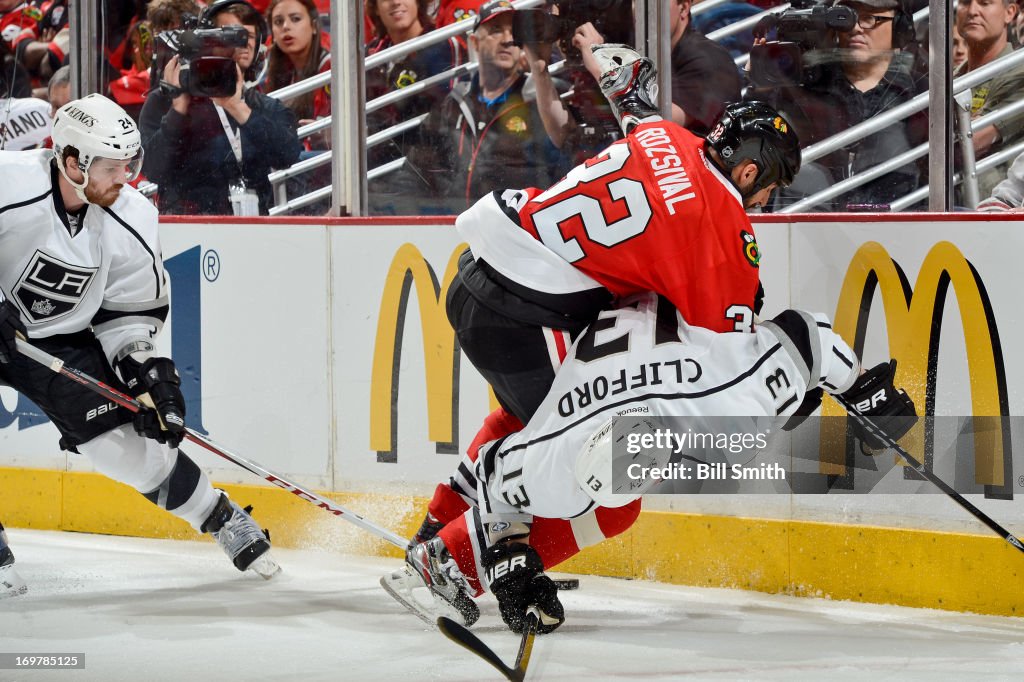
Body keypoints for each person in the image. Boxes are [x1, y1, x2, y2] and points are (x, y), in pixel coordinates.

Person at [397, 44, 800, 621]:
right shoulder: (720, 227)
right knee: (607, 485)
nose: (763, 203)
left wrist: (628, 88)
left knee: (521, 422)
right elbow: (728, 355)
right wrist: (790, 381)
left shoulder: (673, 139)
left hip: (480, 273)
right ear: (750, 169)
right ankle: (467, 561)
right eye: (770, 187)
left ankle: (436, 531)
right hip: (525, 308)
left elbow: (636, 112)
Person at [384, 292, 918, 631]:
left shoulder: (720, 399)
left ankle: (445, 540)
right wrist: (508, 556)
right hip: (586, 341)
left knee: (585, 477)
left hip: (643, 328)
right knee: (555, 446)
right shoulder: (563, 460)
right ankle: (443, 553)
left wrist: (861, 391)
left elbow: (808, 340)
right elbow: (810, 338)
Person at [0, 93, 279, 596]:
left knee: (123, 448)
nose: (123, 178)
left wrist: (145, 371)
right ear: (70, 161)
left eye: (128, 165)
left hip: (59, 342)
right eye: (111, 167)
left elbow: (127, 310)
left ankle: (218, 516)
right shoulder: (7, 181)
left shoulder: (131, 215)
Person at [749, 0, 921, 211]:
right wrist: (758, 88)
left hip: (899, 223)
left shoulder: (922, 92)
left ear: (900, 29)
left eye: (868, 18)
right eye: (847, 17)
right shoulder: (805, 87)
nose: (856, 27)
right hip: (810, 225)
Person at [140, 0, 301, 215]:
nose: (242, 44)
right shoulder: (166, 100)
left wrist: (238, 109)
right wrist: (177, 111)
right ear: (205, 41)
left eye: (248, 37)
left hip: (253, 231)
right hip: (189, 236)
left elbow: (287, 155)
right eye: (230, 35)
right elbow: (152, 169)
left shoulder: (265, 106)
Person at [412, 0, 558, 211]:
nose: (508, 40)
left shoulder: (539, 102)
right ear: (475, 42)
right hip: (451, 227)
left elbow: (554, 172)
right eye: (496, 30)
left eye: (514, 32)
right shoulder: (452, 104)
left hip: (515, 227)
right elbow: (413, 172)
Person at [364, 0, 464, 215]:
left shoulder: (442, 45)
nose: (395, 2)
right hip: (375, 159)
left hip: (427, 163)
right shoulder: (371, 54)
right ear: (374, 8)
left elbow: (442, 113)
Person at [955, 0, 1024, 201]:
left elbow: (969, 142)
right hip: (955, 204)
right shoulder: (952, 77)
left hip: (997, 210)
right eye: (965, 2)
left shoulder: (1019, 71)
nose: (972, 11)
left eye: (985, 3)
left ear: (1009, 13)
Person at [264, 0, 330, 148]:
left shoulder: (331, 68)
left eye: (295, 19)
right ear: (272, 34)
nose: (286, 27)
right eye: (278, 22)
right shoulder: (278, 72)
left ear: (314, 26)